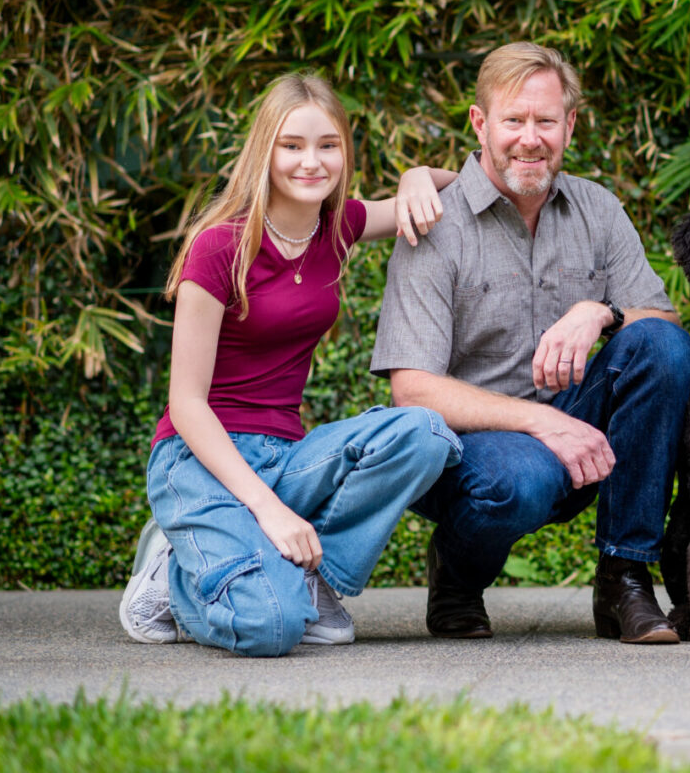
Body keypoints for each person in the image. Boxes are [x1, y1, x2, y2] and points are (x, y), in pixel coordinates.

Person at [118, 72, 461, 657]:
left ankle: (317, 583)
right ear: (265, 151)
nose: (312, 162)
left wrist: (413, 178)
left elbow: (461, 182)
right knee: (271, 626)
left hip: (285, 455)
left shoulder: (339, 227)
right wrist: (270, 510)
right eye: (292, 145)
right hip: (198, 458)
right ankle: (171, 579)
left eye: (328, 145)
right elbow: (187, 404)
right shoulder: (219, 246)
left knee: (424, 432)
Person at [373, 41, 690, 644]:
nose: (529, 138)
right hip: (475, 452)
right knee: (515, 483)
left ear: (569, 125)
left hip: (581, 433)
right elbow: (412, 390)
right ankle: (458, 578)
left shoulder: (597, 208)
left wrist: (598, 311)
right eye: (513, 120)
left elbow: (665, 330)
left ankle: (623, 576)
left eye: (545, 121)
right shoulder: (434, 221)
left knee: (661, 346)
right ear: (480, 123)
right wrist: (541, 425)